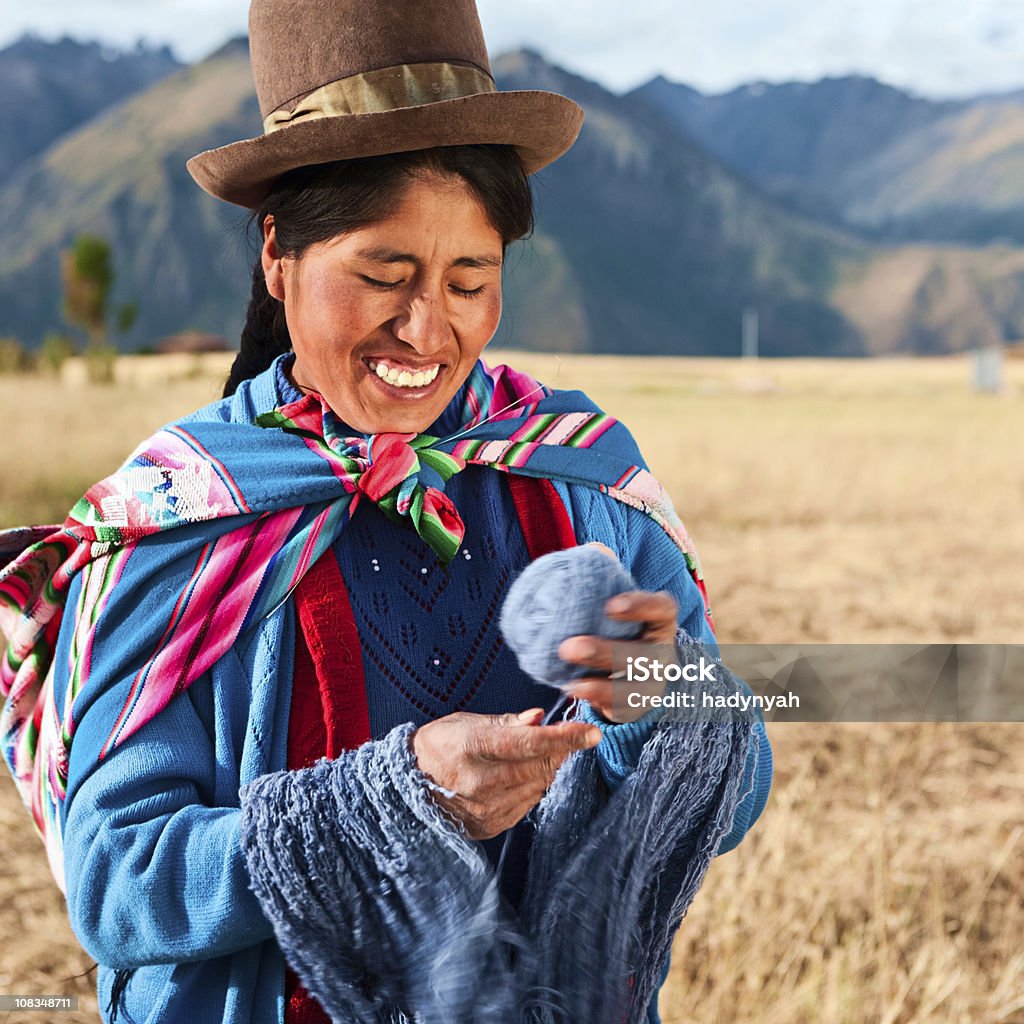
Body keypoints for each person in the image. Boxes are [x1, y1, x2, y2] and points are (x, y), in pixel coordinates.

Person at [0, 1, 772, 1022]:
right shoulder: (176, 521)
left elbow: (735, 786)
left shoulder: (581, 481)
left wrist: (656, 695)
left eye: (470, 279)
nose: (427, 328)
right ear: (277, 253)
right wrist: (387, 804)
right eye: (384, 274)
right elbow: (119, 882)